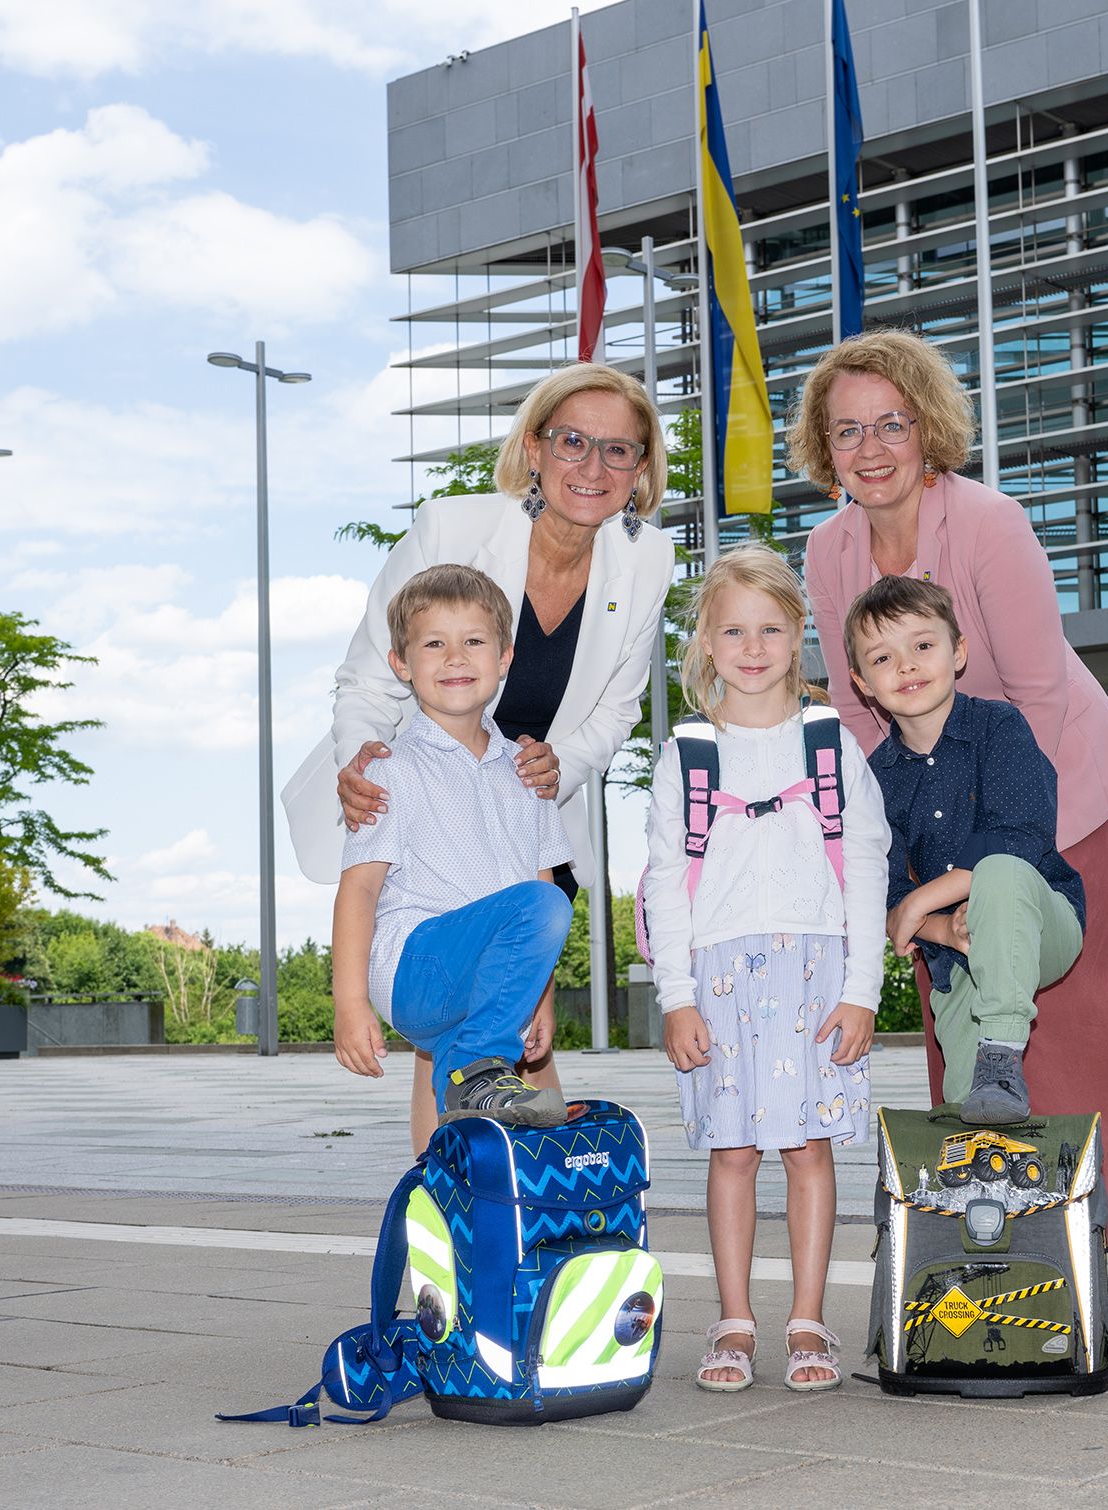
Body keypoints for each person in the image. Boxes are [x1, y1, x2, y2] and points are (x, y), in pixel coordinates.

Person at [799, 329, 1108, 1243]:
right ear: (824, 450)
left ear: (927, 427)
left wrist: (977, 865)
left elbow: (1036, 693)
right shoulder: (826, 552)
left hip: (1055, 791)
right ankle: (999, 1233)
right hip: (925, 806)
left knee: (1097, 1008)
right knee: (968, 1002)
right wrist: (893, 860)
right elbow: (853, 716)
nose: (871, 448)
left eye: (891, 422)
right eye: (847, 432)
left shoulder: (989, 521)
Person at [285, 362, 676, 1150]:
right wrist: (359, 763)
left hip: (524, 798)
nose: (592, 468)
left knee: (511, 1031)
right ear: (534, 447)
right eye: (572, 442)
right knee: (469, 1042)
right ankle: (465, 1225)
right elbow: (368, 672)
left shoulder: (647, 560)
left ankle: (488, 1222)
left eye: (618, 451)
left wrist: (561, 761)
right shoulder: (452, 527)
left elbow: (617, 707)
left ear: (641, 470)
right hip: (423, 791)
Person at [644, 545, 889, 1393]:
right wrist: (675, 999)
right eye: (733, 630)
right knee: (734, 1150)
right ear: (705, 643)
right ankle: (737, 1321)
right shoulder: (686, 755)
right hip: (716, 980)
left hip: (816, 973)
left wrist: (863, 992)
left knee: (808, 1147)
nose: (753, 647)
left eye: (771, 629)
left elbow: (866, 866)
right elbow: (667, 882)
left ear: (798, 637)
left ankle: (809, 1320)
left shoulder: (831, 745)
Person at [331, 564, 577, 1125]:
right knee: (546, 903)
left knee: (468, 1133)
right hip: (417, 968)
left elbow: (536, 887)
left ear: (505, 657)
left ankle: (440, 1194)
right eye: (434, 644)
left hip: (479, 986)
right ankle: (478, 1070)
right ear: (402, 664)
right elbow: (359, 893)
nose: (456, 658)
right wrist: (349, 1005)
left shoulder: (526, 773)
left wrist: (540, 1000)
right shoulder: (390, 770)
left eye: (473, 642)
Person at [846, 576, 1082, 1124]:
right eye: (884, 658)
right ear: (862, 682)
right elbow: (883, 890)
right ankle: (977, 1193)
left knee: (998, 868)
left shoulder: (998, 726)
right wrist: (935, 926)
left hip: (1043, 922)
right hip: (958, 955)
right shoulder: (873, 779)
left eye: (923, 646)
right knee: (964, 1110)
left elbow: (1020, 836)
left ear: (958, 652)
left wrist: (920, 902)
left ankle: (1001, 1053)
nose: (906, 667)